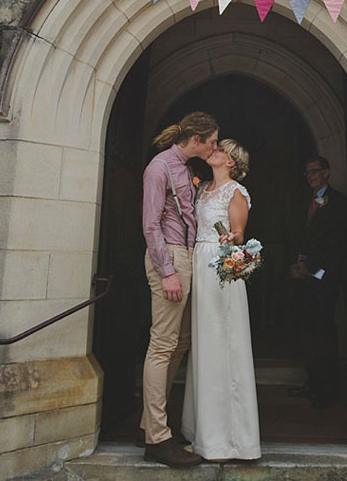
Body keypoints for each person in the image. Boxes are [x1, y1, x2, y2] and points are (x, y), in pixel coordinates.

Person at [140, 111, 219, 468]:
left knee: (181, 342)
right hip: (170, 257)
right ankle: (157, 439)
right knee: (162, 345)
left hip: (186, 257)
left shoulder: (185, 168)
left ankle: (149, 424)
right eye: (212, 141)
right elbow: (150, 224)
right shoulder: (159, 167)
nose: (215, 147)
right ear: (197, 139)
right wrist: (167, 271)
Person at [182, 139, 261, 461]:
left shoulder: (236, 192)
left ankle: (228, 440)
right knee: (203, 343)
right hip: (198, 262)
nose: (214, 151)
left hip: (219, 265)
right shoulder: (202, 189)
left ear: (231, 162)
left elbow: (239, 233)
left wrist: (232, 237)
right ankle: (202, 432)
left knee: (221, 342)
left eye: (221, 150)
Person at [289, 155, 347, 408]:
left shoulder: (338, 203)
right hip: (303, 280)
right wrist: (295, 265)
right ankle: (312, 382)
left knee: (324, 333)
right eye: (307, 172)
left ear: (326, 172)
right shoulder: (304, 201)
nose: (310, 176)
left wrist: (311, 266)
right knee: (307, 333)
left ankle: (327, 390)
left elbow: (335, 242)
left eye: (314, 171)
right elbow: (298, 235)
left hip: (325, 279)